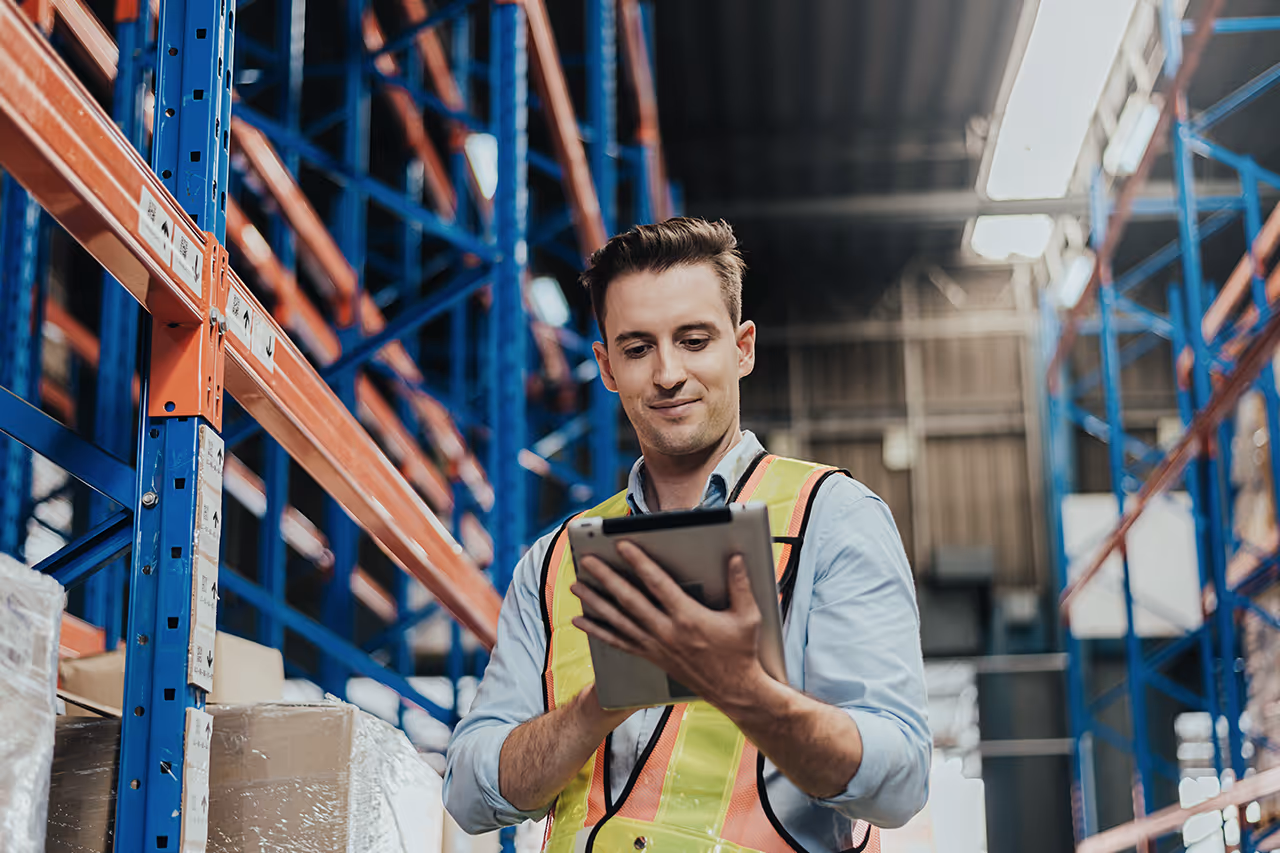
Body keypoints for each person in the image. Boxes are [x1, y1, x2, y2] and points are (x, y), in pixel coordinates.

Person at [445, 218, 930, 853]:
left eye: (694, 340)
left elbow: (899, 783)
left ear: (743, 347)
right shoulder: (553, 561)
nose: (668, 373)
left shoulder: (831, 520)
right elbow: (468, 795)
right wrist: (598, 705)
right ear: (607, 366)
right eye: (638, 348)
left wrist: (748, 694)